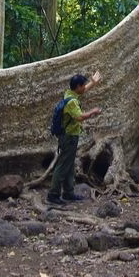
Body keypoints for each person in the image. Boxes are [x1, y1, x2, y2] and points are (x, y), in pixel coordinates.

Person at [47, 70, 102, 204]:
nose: (84, 88)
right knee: (63, 165)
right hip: (69, 137)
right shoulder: (72, 102)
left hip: (70, 136)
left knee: (69, 165)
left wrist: (93, 83)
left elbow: (83, 90)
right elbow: (79, 117)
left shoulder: (69, 94)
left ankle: (68, 193)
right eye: (82, 86)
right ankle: (53, 194)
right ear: (77, 87)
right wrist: (93, 111)